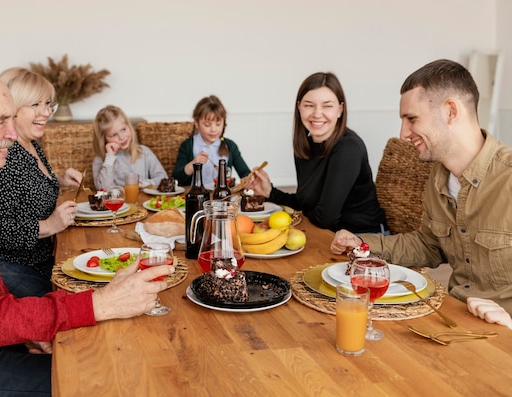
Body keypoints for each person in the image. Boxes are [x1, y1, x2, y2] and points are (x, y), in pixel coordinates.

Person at [0, 66, 173, 396]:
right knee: (104, 379)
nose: (11, 133)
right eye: (0, 121)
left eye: (12, 120)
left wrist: (24, 330)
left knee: (91, 359)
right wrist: (99, 304)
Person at [330, 59, 512, 329]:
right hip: (454, 322)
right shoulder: (438, 177)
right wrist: (361, 244)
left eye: (412, 119)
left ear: (451, 111)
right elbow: (428, 245)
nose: (403, 133)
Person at [0, 67, 80, 298]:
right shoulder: (3, 154)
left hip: (44, 259)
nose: (45, 112)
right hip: (14, 268)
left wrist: (59, 180)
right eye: (35, 105)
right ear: (12, 109)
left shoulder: (30, 145)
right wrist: (49, 226)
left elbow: (26, 190)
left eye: (47, 104)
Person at [248, 72, 387, 233]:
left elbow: (325, 218)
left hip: (363, 238)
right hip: (328, 234)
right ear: (299, 107)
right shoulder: (306, 145)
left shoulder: (348, 148)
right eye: (309, 105)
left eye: (327, 105)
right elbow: (305, 202)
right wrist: (269, 192)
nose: (317, 114)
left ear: (340, 110)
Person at [172, 95, 251, 188]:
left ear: (224, 123)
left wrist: (248, 179)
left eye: (218, 124)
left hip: (222, 198)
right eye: (207, 124)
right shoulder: (187, 146)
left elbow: (245, 173)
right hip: (196, 199)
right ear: (197, 124)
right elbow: (176, 179)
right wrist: (193, 164)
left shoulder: (230, 146)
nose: (213, 129)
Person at [92, 104, 167, 188]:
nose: (121, 137)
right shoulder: (100, 160)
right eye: (114, 135)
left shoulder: (144, 152)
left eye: (123, 129)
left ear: (129, 126)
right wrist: (110, 158)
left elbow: (163, 178)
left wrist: (142, 184)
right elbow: (102, 188)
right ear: (104, 140)